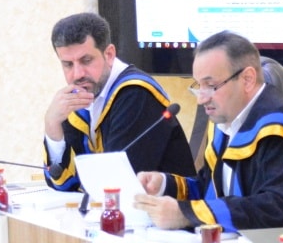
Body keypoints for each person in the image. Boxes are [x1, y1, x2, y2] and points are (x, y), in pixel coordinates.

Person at [134, 31, 283, 231]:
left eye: (210, 86)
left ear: (247, 79)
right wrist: (164, 185)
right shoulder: (225, 122)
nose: (201, 99)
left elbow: (278, 209)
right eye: (198, 86)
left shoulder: (281, 125)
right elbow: (209, 191)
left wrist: (186, 214)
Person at [42, 12, 194, 192]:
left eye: (86, 60)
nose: (77, 74)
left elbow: (118, 184)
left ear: (109, 54)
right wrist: (52, 125)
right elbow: (65, 183)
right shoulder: (81, 96)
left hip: (166, 207)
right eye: (68, 64)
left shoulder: (136, 94)